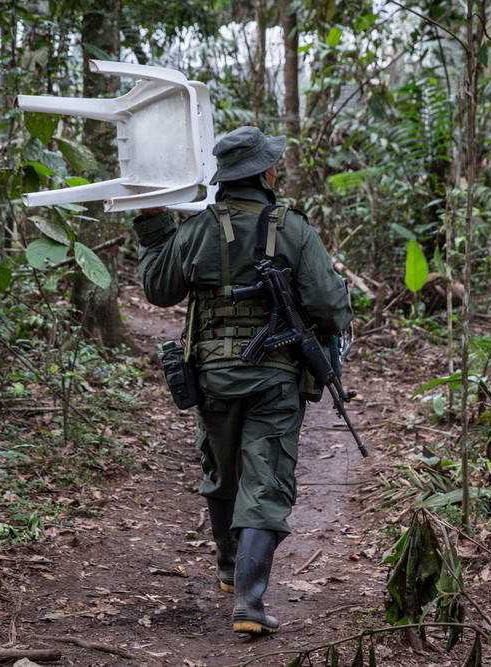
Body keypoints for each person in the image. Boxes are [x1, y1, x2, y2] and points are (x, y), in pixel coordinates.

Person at [132, 126, 354, 634]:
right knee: (267, 476)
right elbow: (329, 305)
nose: (277, 169)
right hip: (274, 378)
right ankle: (250, 604)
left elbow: (159, 289)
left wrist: (153, 227)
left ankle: (230, 570)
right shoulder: (292, 227)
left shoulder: (197, 228)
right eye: (273, 164)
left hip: (210, 375)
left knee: (223, 468)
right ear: (265, 173)